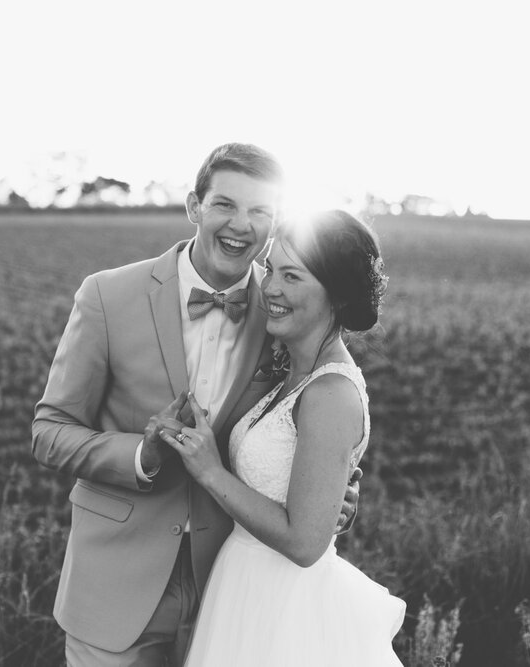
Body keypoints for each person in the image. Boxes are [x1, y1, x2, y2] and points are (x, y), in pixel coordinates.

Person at [31, 143, 361, 666]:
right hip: (116, 583)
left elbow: (310, 417)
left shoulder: (281, 310)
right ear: (194, 207)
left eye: (260, 211)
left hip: (228, 589)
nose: (241, 224)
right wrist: (142, 455)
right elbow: (50, 430)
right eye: (225, 204)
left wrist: (327, 498)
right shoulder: (107, 296)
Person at [163, 209, 406, 666]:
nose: (270, 287)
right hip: (242, 585)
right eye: (271, 269)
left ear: (335, 295)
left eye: (291, 276)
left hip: (285, 609)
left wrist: (212, 472)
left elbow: (304, 543)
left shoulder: (330, 393)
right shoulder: (289, 368)